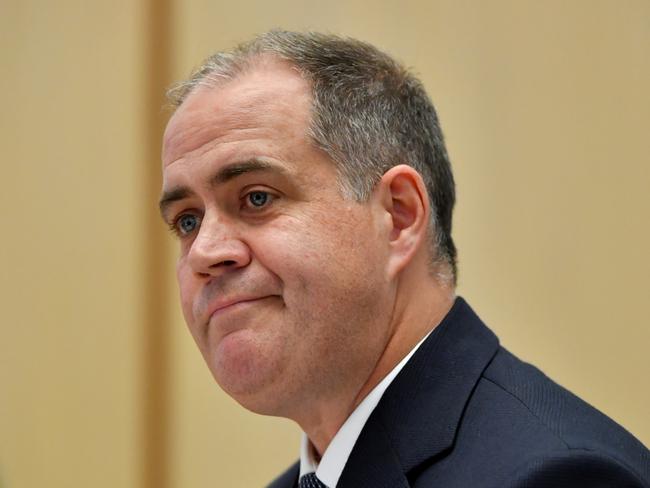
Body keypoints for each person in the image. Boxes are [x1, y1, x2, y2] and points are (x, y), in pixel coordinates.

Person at [159, 30, 649, 488]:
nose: (204, 251)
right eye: (187, 221)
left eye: (257, 198)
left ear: (397, 216)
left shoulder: (555, 476)